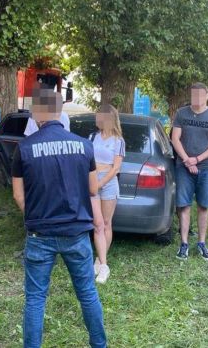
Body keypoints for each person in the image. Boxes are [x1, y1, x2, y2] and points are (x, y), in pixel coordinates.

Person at [12, 85, 106, 348]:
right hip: (76, 232)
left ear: (36, 113)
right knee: (87, 293)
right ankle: (99, 345)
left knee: (35, 299)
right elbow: (93, 189)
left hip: (40, 233)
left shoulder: (24, 148)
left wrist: (36, 216)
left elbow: (18, 195)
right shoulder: (84, 146)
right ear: (59, 111)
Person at [171, 83, 208, 261]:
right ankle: (184, 244)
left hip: (206, 167)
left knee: (203, 205)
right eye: (194, 95)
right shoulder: (181, 113)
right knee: (184, 205)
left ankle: (201, 243)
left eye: (201, 95)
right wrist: (187, 160)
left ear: (207, 95)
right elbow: (175, 139)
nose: (197, 98)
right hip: (184, 167)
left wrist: (197, 159)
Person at [90, 104, 125, 284]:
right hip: (93, 180)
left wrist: (101, 183)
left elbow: (116, 168)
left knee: (105, 223)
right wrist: (93, 182)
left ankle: (100, 261)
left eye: (99, 116)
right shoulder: (92, 137)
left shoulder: (118, 141)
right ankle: (104, 265)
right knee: (97, 224)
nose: (97, 119)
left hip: (108, 182)